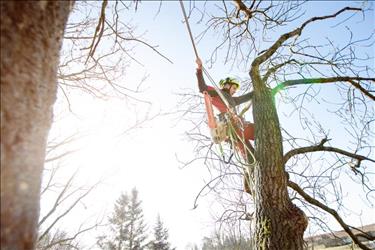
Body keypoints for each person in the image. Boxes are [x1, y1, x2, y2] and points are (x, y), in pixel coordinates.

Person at [195, 58, 255, 156]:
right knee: (262, 132)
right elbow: (203, 88)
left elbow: (246, 97)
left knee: (250, 157)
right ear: (227, 85)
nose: (235, 91)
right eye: (234, 88)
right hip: (232, 127)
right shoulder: (218, 93)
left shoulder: (233, 100)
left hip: (236, 131)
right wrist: (199, 69)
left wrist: (257, 91)